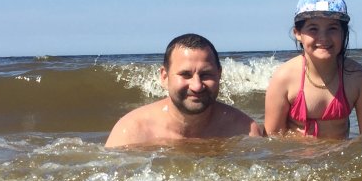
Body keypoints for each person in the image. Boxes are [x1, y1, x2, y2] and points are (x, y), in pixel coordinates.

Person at [105, 33, 264, 148]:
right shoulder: (132, 133)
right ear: (164, 77)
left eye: (206, 75)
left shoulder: (243, 131)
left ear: (219, 75)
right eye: (185, 75)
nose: (197, 86)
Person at [264, 0, 362, 139]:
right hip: (297, 153)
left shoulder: (357, 78)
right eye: (313, 29)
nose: (323, 37)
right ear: (297, 33)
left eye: (332, 28)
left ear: (343, 33)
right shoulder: (283, 78)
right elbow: (272, 140)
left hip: (340, 153)